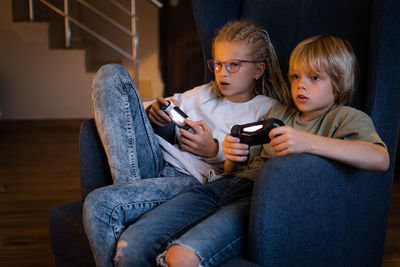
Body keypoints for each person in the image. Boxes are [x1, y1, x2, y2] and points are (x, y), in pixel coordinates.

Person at [113, 35, 389, 267]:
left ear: (340, 82)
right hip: (221, 186)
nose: (300, 85)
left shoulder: (345, 117)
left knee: (181, 256)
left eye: (315, 77)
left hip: (257, 201)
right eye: (295, 76)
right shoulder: (278, 112)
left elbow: (380, 158)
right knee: (131, 243)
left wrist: (307, 143)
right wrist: (233, 156)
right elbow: (237, 168)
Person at [83, 20, 290, 267]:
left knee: (100, 204)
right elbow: (152, 107)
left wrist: (212, 151)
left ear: (258, 70)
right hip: (155, 163)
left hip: (191, 181)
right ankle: (130, 192)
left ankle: (129, 200)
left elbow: (247, 172)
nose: (222, 72)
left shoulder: (266, 110)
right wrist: (155, 113)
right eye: (218, 64)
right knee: (111, 74)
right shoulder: (204, 93)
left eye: (233, 65)